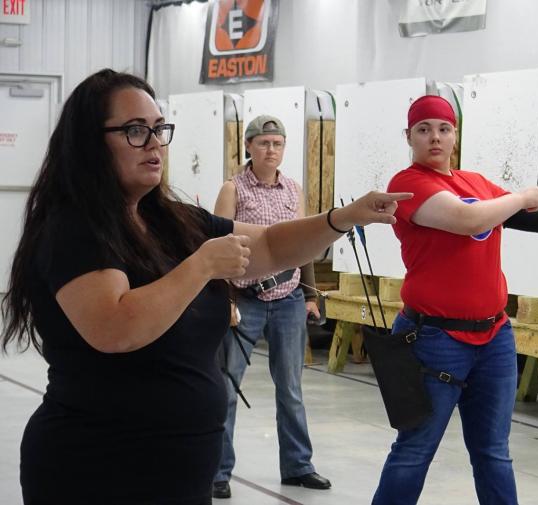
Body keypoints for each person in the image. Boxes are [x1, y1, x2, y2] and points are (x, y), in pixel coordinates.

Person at [0, 69, 409, 505]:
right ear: (89, 143)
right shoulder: (75, 230)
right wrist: (199, 267)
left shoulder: (173, 221)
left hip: (176, 473)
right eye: (136, 131)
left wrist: (340, 219)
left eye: (159, 129)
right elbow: (115, 327)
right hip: (98, 469)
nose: (155, 143)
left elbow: (271, 243)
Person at [372, 95, 538, 505]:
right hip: (434, 340)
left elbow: (535, 220)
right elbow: (468, 220)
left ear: (454, 135)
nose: (434, 137)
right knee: (415, 450)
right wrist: (522, 195)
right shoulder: (408, 184)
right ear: (409, 136)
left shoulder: (474, 182)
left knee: (493, 453)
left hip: (493, 338)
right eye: (423, 130)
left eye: (443, 128)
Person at [210, 115, 329, 499]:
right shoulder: (233, 189)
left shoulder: (292, 190)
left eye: (277, 144)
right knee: (228, 386)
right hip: (245, 298)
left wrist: (309, 295)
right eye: (263, 143)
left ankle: (298, 465)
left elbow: (304, 242)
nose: (271, 150)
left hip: (288, 297)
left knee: (290, 388)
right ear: (248, 146)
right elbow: (217, 244)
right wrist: (225, 300)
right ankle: (217, 470)